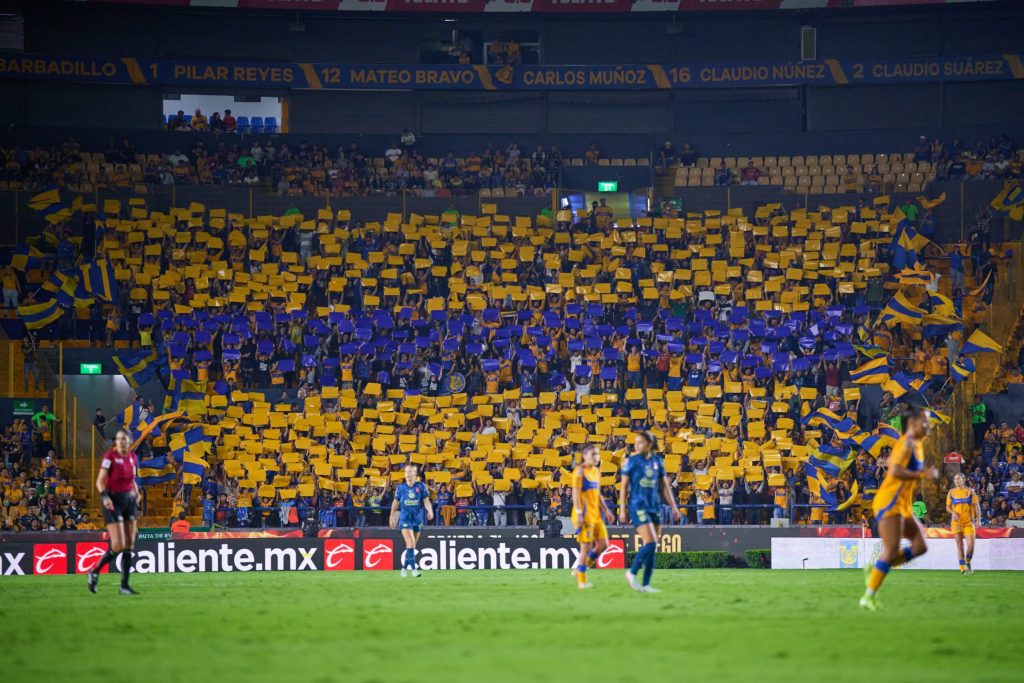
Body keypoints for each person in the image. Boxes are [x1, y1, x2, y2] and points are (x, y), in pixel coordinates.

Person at [860, 406, 939, 610]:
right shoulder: (906, 444)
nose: (928, 424)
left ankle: (878, 567)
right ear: (912, 423)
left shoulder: (918, 444)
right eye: (924, 420)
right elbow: (894, 470)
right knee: (892, 549)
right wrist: (923, 475)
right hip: (889, 502)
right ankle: (868, 596)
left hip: (903, 504)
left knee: (920, 546)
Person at [618, 431, 681, 593]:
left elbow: (665, 486)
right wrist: (622, 510)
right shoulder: (631, 462)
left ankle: (645, 584)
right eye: (635, 443)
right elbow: (623, 487)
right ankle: (632, 572)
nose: (636, 446)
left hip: (654, 506)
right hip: (637, 506)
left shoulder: (657, 462)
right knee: (651, 542)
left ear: (649, 444)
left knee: (652, 545)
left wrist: (674, 507)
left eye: (640, 443)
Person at [87, 430, 141, 595]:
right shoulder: (109, 457)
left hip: (129, 500)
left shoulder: (132, 457)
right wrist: (104, 497)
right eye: (118, 439)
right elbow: (99, 481)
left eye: (123, 439)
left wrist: (137, 493)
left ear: (129, 441)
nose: (121, 442)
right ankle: (94, 571)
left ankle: (124, 586)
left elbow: (132, 479)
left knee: (129, 544)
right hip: (112, 501)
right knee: (118, 545)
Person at [570, 444, 613, 589]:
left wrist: (606, 510)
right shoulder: (579, 472)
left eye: (597, 454)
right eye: (593, 454)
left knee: (603, 545)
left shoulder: (596, 471)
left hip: (596, 515)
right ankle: (582, 581)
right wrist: (579, 513)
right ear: (584, 455)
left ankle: (579, 570)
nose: (596, 457)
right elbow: (575, 494)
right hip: (583, 514)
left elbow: (597, 493)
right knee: (585, 547)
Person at [389, 463, 434, 578]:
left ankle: (404, 569)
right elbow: (395, 502)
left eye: (410, 472)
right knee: (410, 543)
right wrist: (391, 516)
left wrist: (430, 511)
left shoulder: (421, 486)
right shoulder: (401, 488)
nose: (408, 474)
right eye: (406, 472)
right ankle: (414, 570)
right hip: (405, 519)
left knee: (411, 547)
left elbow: (426, 501)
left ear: (415, 474)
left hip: (417, 519)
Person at [946, 473, 980, 575]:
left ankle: (968, 562)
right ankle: (962, 568)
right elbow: (947, 507)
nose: (957, 480)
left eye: (959, 479)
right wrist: (953, 512)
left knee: (971, 546)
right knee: (959, 545)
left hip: (968, 522)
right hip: (956, 522)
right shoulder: (951, 492)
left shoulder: (970, 492)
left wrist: (978, 519)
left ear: (963, 480)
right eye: (955, 479)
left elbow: (976, 506)